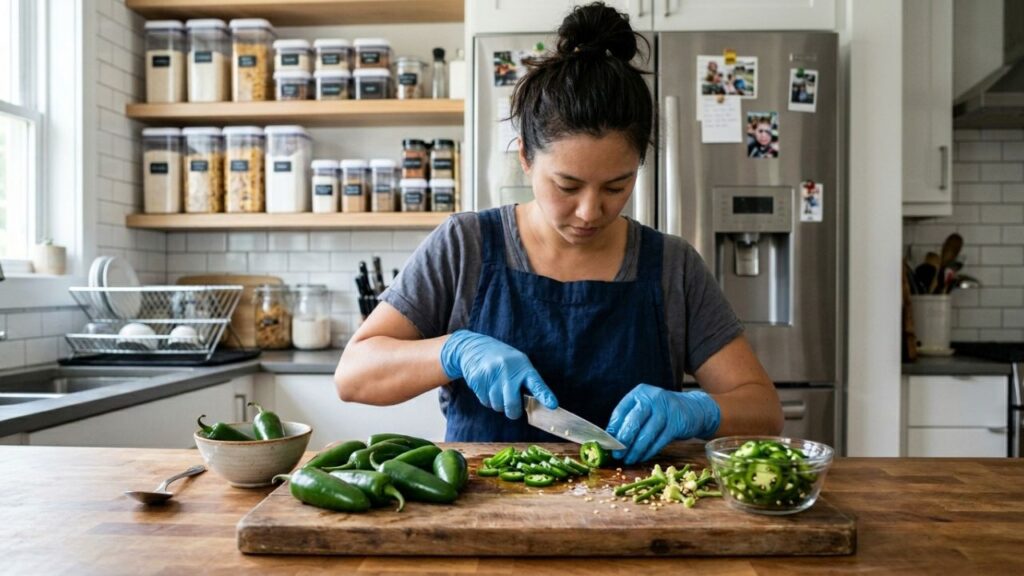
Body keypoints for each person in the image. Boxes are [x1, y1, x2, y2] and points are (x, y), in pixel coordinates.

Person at [335, 2, 783, 465]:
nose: (591, 211)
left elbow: (764, 410)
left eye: (617, 185)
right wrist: (453, 351)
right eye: (567, 185)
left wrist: (698, 411)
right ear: (525, 156)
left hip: (638, 518)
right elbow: (353, 375)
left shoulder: (671, 265)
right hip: (482, 518)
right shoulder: (465, 245)